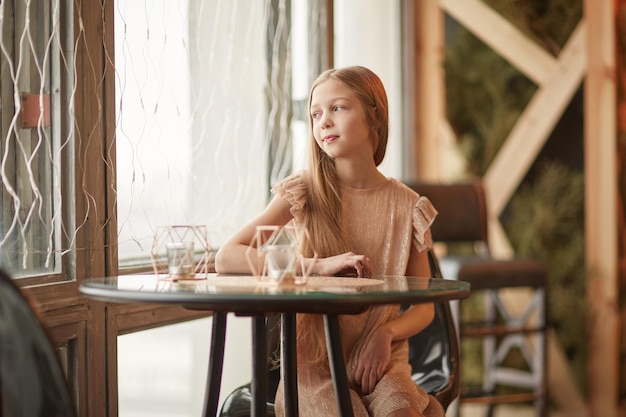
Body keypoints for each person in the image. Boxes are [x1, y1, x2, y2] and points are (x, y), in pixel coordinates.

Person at [215, 65, 443, 417]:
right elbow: (227, 257)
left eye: (338, 108)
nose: (323, 122)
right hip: (313, 368)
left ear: (375, 117)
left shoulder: (410, 207)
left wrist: (385, 335)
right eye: (315, 114)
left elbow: (425, 306)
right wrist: (316, 266)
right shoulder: (305, 191)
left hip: (383, 365)